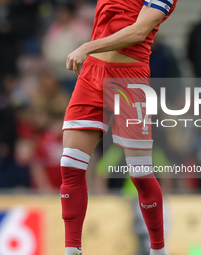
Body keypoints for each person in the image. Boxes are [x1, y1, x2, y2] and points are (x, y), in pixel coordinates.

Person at [59, 1, 178, 255]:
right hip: (91, 75)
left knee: (141, 173)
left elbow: (138, 31)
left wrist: (87, 47)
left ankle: (158, 250)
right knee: (70, 163)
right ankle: (72, 250)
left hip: (129, 78)